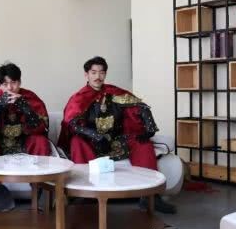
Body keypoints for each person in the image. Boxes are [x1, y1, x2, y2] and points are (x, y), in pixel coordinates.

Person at [58, 56, 176, 214]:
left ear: (105, 74)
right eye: (93, 72)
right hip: (91, 143)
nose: (98, 76)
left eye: (101, 72)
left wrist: (150, 127)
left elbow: (140, 106)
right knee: (76, 142)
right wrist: (94, 135)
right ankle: (85, 193)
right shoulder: (79, 98)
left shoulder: (114, 92)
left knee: (142, 142)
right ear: (86, 74)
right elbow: (71, 123)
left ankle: (150, 197)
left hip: (116, 141)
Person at [0, 62, 52, 187]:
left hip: (24, 144)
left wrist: (25, 107)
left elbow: (42, 128)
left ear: (19, 82)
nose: (10, 88)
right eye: (5, 84)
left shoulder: (30, 98)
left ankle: (38, 187)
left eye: (13, 82)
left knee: (40, 141)